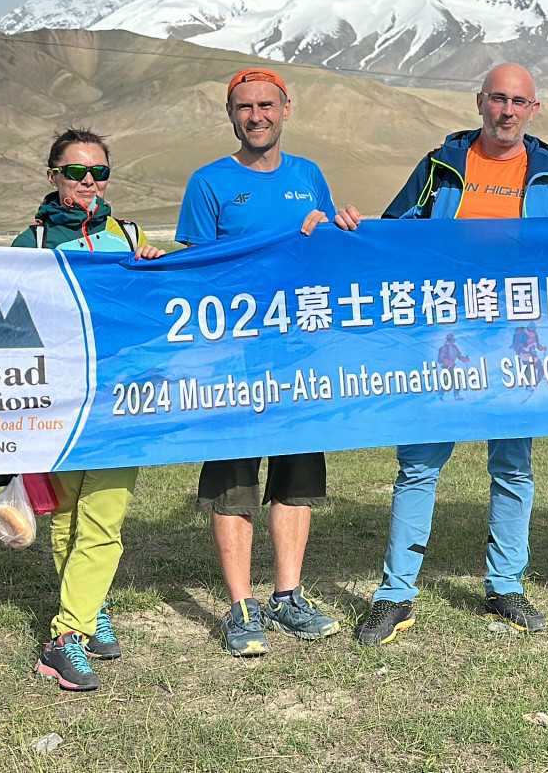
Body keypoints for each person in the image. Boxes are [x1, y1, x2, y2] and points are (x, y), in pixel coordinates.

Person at [355, 62, 548, 647]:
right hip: (443, 336)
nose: (507, 111)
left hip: (517, 337)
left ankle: (505, 585)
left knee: (512, 466)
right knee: (419, 464)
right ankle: (395, 595)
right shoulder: (440, 167)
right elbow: (393, 230)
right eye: (497, 99)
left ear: (535, 110)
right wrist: (349, 229)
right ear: (480, 102)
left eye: (519, 102)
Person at [174, 67, 361, 656]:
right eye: (244, 107)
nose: (256, 116)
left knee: (297, 478)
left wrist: (336, 229)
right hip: (234, 356)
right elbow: (199, 270)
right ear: (231, 115)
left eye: (266, 105)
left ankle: (288, 594)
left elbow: (323, 253)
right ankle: (238, 606)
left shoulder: (309, 176)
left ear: (286, 109)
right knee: (234, 480)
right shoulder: (208, 182)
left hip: (301, 353)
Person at [17, 128, 164, 691]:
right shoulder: (27, 245)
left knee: (105, 518)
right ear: (53, 175)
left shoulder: (129, 235)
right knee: (65, 516)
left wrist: (151, 267)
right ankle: (90, 605)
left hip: (120, 400)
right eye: (75, 172)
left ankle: (68, 635)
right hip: (56, 402)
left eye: (98, 172)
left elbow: (158, 306)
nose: (87, 183)